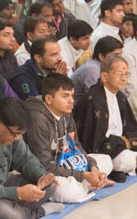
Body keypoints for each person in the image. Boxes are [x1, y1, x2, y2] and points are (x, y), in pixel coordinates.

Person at [24, 74, 117, 202]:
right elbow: (44, 166)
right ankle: (91, 184)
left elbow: (76, 145)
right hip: (46, 172)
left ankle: (91, 183)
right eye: (65, 96)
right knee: (69, 192)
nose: (71, 101)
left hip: (66, 162)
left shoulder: (65, 111)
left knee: (106, 160)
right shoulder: (38, 119)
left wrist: (93, 168)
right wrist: (84, 175)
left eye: (72, 95)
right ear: (49, 99)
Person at [73, 54, 137, 176]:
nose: (124, 79)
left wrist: (128, 146)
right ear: (104, 76)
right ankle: (135, 166)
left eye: (126, 74)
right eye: (119, 74)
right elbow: (93, 141)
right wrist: (132, 155)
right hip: (104, 150)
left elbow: (131, 129)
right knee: (123, 160)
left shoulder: (119, 96)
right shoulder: (94, 100)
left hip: (121, 145)